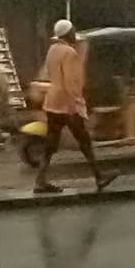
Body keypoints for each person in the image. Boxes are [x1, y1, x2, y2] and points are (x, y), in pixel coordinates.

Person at [34, 19, 116, 195]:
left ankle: (40, 181)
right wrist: (79, 104)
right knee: (84, 141)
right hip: (67, 104)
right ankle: (99, 176)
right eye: (73, 31)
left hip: (52, 102)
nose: (74, 34)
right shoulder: (69, 53)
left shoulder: (52, 49)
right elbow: (72, 83)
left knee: (50, 144)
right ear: (67, 34)